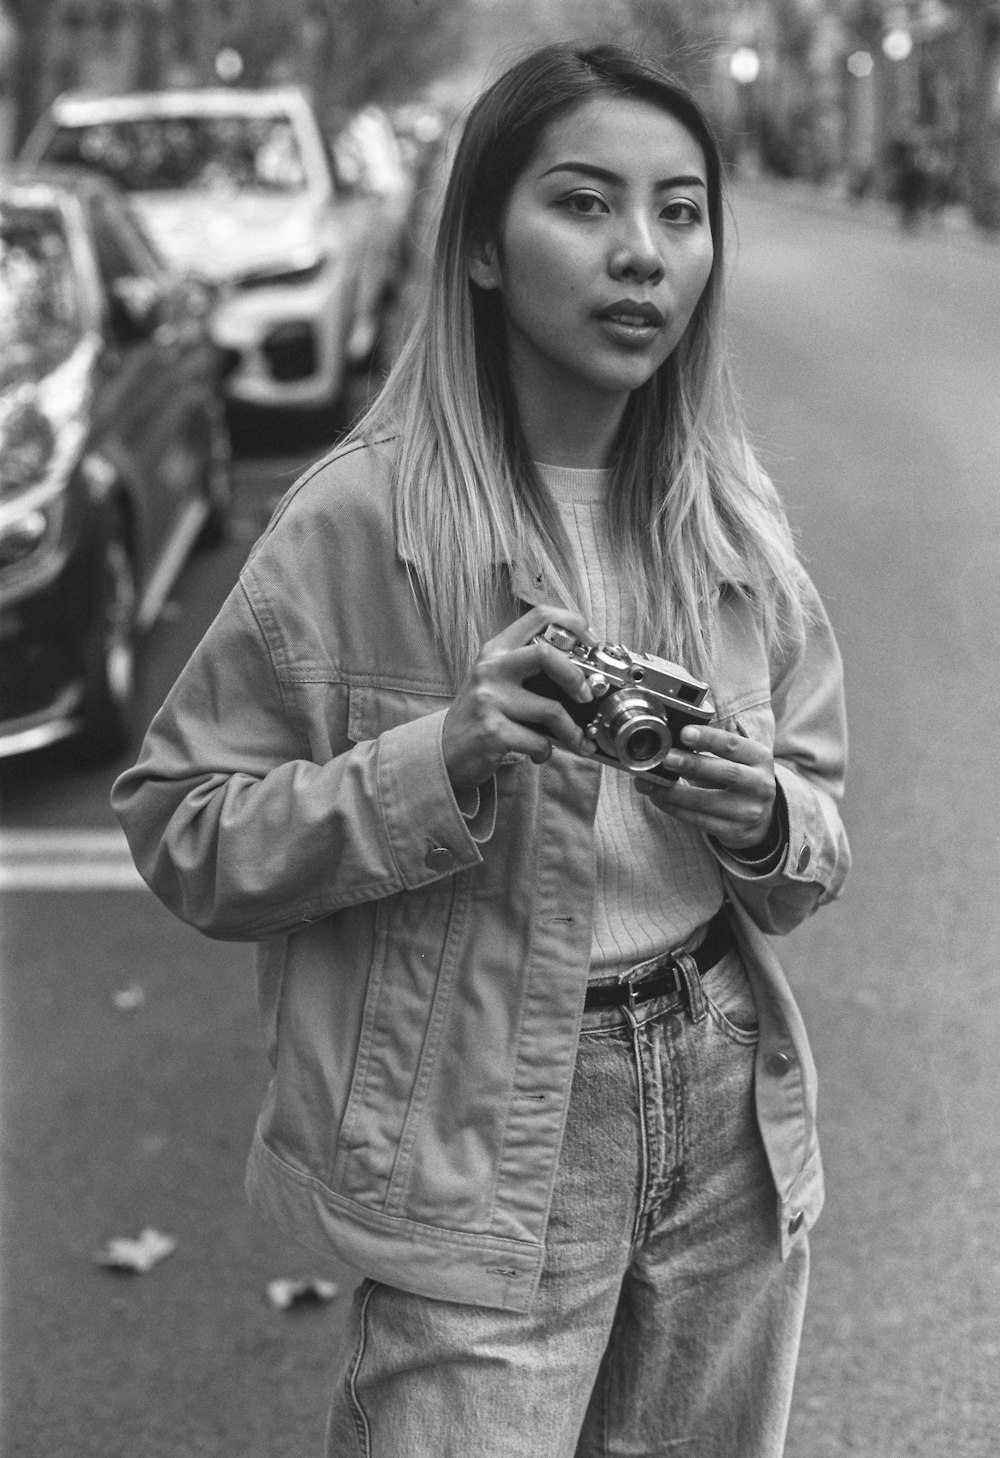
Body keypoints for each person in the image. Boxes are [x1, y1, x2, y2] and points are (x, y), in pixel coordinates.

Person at [113, 42, 850, 1458]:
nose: (643, 254)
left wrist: (760, 813)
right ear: (484, 253)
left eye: (681, 212)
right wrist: (434, 763)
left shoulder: (730, 519)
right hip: (483, 1128)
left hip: (725, 1111)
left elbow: (816, 836)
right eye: (585, 204)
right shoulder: (358, 519)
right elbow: (179, 824)